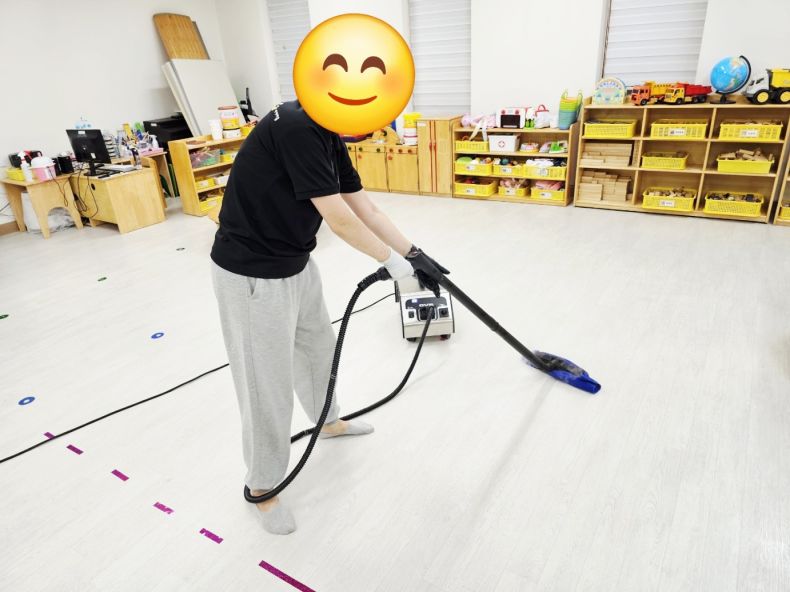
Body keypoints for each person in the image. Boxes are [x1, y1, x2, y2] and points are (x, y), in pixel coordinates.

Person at [210, 100, 445, 535]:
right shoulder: (297, 128)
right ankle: (262, 486)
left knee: (317, 348)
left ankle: (328, 421)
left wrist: (415, 254)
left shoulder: (326, 131)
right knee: (266, 384)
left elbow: (365, 210)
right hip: (251, 273)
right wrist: (392, 262)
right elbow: (339, 221)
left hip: (296, 262)